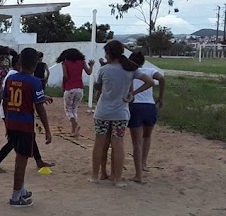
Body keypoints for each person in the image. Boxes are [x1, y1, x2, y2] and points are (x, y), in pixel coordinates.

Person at [91, 40, 153, 187]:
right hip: (121, 113)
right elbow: (150, 82)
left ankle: (95, 176)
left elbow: (98, 86)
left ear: (110, 54)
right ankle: (117, 178)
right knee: (118, 144)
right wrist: (133, 93)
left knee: (99, 144)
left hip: (103, 112)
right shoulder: (131, 69)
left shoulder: (104, 69)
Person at [0, 50, 54, 172]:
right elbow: (3, 95)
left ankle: (39, 161)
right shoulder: (12, 76)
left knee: (29, 137)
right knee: (14, 142)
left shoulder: (14, 77)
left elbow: (24, 94)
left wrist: (43, 97)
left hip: (11, 113)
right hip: (11, 113)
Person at [2, 48, 52, 207]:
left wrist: (7, 121)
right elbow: (40, 108)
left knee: (19, 157)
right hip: (24, 125)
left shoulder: (10, 79)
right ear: (35, 64)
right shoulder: (35, 81)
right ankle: (16, 196)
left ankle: (21, 189)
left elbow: (5, 101)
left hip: (12, 122)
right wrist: (47, 129)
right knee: (21, 161)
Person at [127, 51, 165, 183]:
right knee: (147, 136)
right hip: (150, 107)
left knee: (136, 142)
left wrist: (133, 93)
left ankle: (138, 174)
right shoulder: (150, 71)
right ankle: (143, 164)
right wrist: (160, 97)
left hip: (135, 107)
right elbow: (161, 79)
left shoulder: (130, 72)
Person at [57, 48, 94, 138]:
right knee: (74, 109)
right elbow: (89, 72)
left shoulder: (65, 63)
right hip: (79, 88)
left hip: (70, 88)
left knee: (68, 109)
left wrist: (63, 85)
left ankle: (76, 125)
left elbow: (65, 76)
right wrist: (91, 65)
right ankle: (74, 131)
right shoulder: (82, 61)